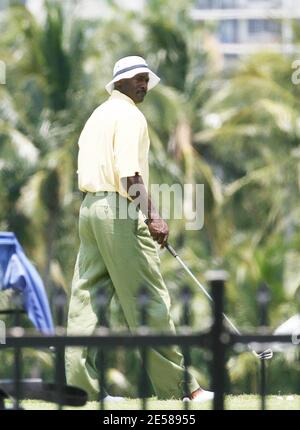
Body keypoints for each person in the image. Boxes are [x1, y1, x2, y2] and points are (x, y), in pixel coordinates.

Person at [65, 56, 213, 403]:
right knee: (148, 299)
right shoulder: (130, 115)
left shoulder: (97, 115)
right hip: (118, 209)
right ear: (120, 82)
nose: (144, 85)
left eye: (146, 79)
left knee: (84, 302)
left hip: (89, 209)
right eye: (138, 79)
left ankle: (80, 391)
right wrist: (153, 217)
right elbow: (130, 174)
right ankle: (182, 390)